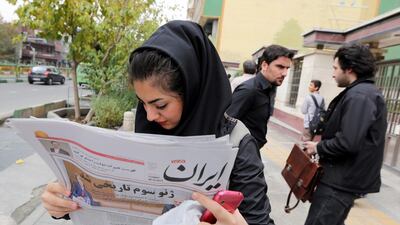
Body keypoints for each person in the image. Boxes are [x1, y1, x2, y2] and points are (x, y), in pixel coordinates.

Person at [41, 20, 274, 225]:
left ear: (193, 93)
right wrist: (61, 203)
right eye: (142, 103)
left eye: (160, 105)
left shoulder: (236, 144)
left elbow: (259, 220)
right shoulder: (143, 129)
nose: (150, 116)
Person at [303, 43, 387, 225]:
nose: (333, 73)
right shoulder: (361, 93)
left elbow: (348, 142)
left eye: (335, 68)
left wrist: (318, 147)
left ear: (349, 69)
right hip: (342, 178)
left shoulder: (360, 96)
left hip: (340, 181)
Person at [227, 45, 294, 149]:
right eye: (280, 67)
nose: (285, 73)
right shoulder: (249, 90)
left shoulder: (269, 89)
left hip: (251, 152)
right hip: (240, 156)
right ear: (264, 65)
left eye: (287, 68)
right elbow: (226, 124)